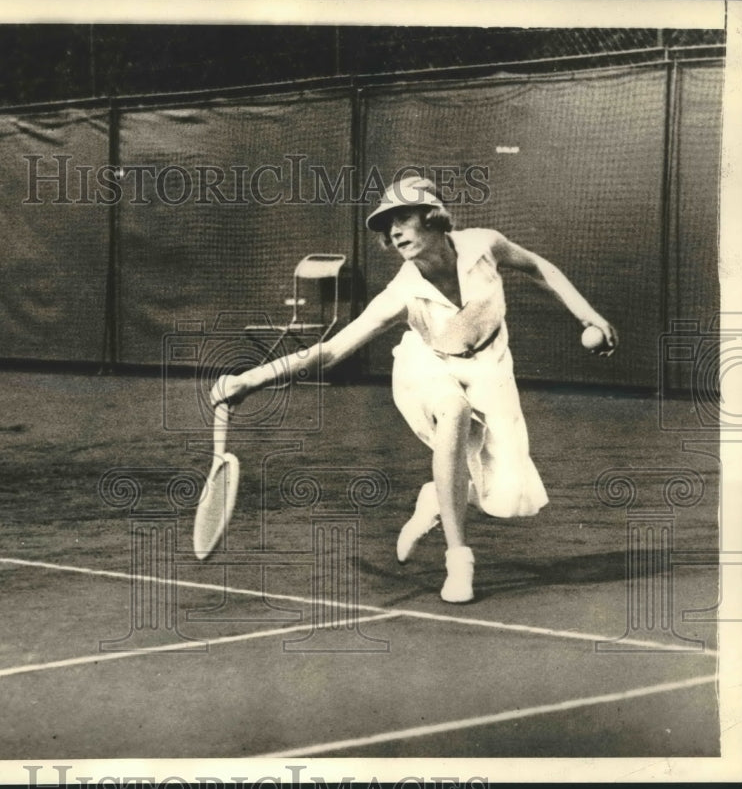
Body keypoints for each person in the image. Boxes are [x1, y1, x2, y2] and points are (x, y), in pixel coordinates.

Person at [210, 175, 617, 603]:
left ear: (432, 216)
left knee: (511, 493)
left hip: (492, 365)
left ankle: (436, 499)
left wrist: (588, 316)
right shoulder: (402, 292)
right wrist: (251, 378)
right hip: (426, 364)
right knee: (453, 411)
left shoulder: (484, 244)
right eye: (388, 227)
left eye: (403, 219)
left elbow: (538, 266)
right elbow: (330, 352)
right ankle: (459, 561)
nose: (395, 232)